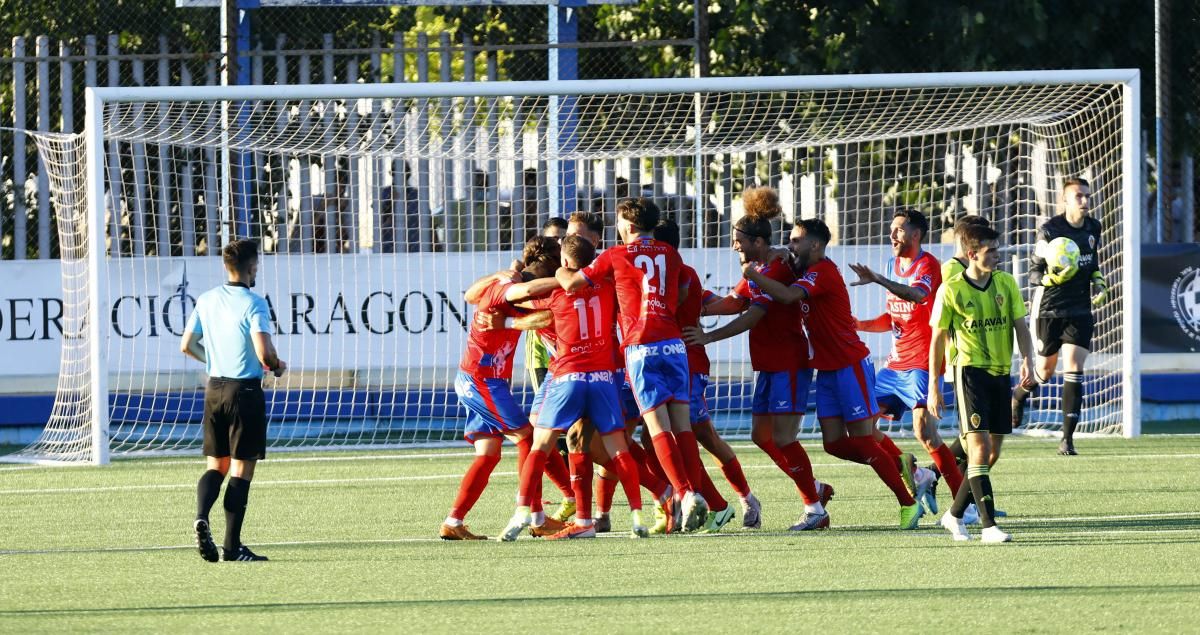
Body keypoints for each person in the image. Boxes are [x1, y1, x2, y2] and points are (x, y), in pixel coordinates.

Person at [743, 218, 923, 529]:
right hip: (825, 370)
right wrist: (774, 254)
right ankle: (898, 463)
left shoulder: (822, 272)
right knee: (833, 444)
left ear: (815, 245)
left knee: (864, 441)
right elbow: (782, 264)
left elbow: (786, 296)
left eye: (796, 240)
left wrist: (751, 274)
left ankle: (908, 504)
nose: (791, 245)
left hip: (849, 365)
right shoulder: (804, 267)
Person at [557, 197, 710, 531]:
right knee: (683, 426)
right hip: (674, 345)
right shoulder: (671, 254)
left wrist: (559, 266)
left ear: (626, 225)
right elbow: (681, 292)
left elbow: (570, 283)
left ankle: (683, 494)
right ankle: (694, 492)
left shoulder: (615, 255)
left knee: (657, 429)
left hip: (640, 347)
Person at [683, 187, 829, 531]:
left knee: (783, 439)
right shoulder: (761, 267)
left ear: (757, 241)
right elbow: (733, 303)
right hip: (767, 364)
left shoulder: (775, 269)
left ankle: (814, 507)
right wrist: (688, 306)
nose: (734, 245)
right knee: (760, 437)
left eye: (739, 240)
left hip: (788, 362)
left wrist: (708, 336)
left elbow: (752, 315)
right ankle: (815, 489)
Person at [500, 235, 649, 540]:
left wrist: (517, 274)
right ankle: (636, 518)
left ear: (565, 263)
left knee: (539, 446)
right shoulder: (608, 286)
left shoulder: (555, 295)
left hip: (568, 377)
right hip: (604, 380)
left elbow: (517, 297)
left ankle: (522, 514)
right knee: (619, 448)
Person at [440, 237, 561, 540]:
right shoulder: (510, 288)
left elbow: (475, 296)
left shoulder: (510, 285)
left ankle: (453, 522)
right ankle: (535, 516)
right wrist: (565, 281)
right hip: (482, 380)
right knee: (527, 438)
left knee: (488, 454)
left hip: (483, 380)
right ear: (547, 262)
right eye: (557, 261)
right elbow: (529, 294)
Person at [849, 209, 961, 513]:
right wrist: (861, 325)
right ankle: (917, 474)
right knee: (862, 426)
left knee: (925, 433)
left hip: (923, 363)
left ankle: (966, 504)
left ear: (915, 235)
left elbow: (916, 295)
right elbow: (893, 317)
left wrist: (878, 280)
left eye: (899, 229)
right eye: (891, 229)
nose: (892, 235)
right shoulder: (891, 263)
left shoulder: (928, 265)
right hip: (895, 364)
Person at [928, 223, 1035, 543]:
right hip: (969, 373)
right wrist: (934, 383)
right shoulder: (951, 289)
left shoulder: (1005, 283)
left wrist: (1028, 358)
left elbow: (1021, 326)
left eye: (997, 249)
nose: (998, 255)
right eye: (991, 251)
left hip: (1001, 374)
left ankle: (955, 514)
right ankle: (988, 526)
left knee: (990, 453)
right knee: (979, 447)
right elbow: (937, 339)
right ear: (972, 254)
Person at [181, 239, 286, 562]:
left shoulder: (208, 299)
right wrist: (277, 366)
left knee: (217, 465)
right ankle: (232, 547)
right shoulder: (255, 303)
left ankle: (201, 516)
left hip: (214, 389)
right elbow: (264, 352)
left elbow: (187, 345)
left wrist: (213, 360)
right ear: (252, 267)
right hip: (245, 392)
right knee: (241, 470)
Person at [656, 217, 746, 533]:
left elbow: (731, 305)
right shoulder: (683, 274)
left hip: (687, 365)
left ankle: (724, 502)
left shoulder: (676, 274)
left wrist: (752, 278)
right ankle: (690, 502)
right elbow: (723, 304)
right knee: (672, 435)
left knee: (694, 434)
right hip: (675, 364)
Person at [1012, 177, 1108, 455]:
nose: (1085, 201)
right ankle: (1018, 397)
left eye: (1087, 196)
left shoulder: (1093, 227)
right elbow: (1034, 274)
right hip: (1049, 309)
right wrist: (1054, 278)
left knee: (1075, 368)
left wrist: (1099, 282)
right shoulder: (1050, 231)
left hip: (1079, 309)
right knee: (1044, 372)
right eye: (1078, 196)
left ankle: (1067, 439)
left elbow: (1092, 262)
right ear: (1065, 200)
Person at [525, 217, 569, 392]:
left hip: (567, 353)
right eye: (552, 239)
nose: (558, 242)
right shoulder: (531, 271)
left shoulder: (572, 266)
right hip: (540, 353)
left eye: (563, 238)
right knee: (543, 409)